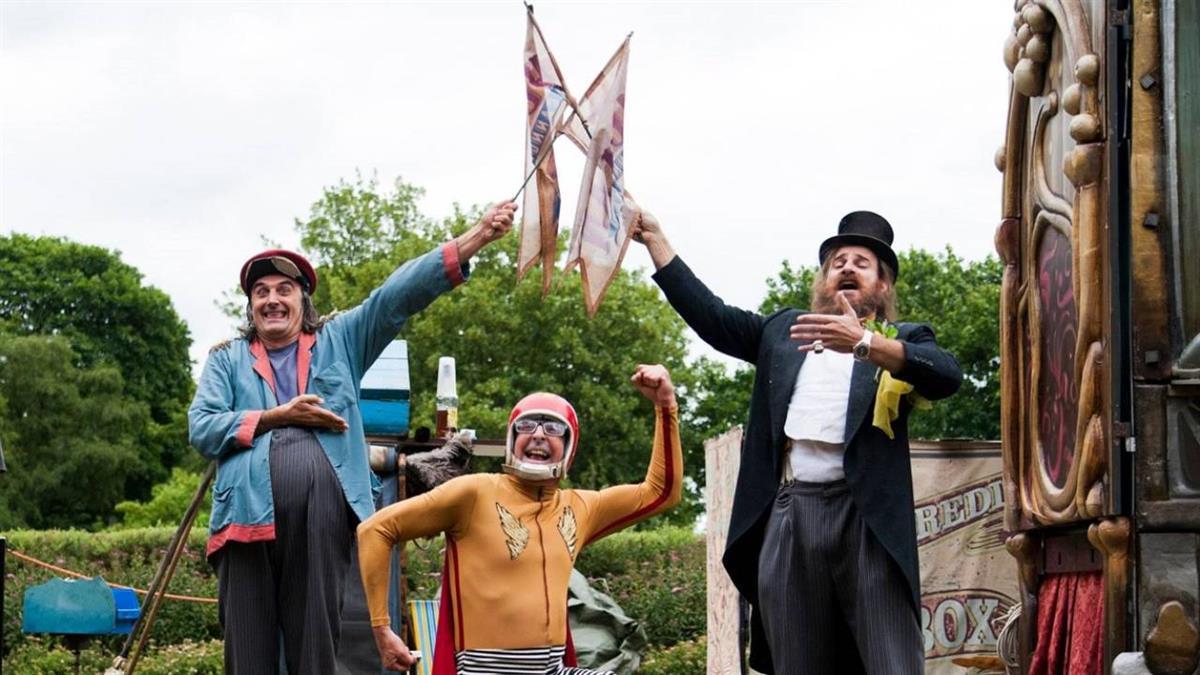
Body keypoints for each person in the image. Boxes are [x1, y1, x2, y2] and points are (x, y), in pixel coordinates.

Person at [187, 200, 517, 674]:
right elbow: (202, 427)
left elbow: (395, 296)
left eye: (284, 289)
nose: (272, 299)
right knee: (248, 653)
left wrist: (476, 237)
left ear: (304, 301)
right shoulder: (226, 360)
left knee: (315, 646)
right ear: (251, 306)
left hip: (320, 522)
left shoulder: (340, 339)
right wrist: (278, 416)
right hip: (245, 520)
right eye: (261, 292)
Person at [631, 210, 962, 674]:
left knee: (893, 661)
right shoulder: (785, 331)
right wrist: (656, 240)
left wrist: (866, 344)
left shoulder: (900, 339)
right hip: (791, 511)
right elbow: (712, 316)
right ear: (824, 281)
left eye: (861, 263)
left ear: (883, 285)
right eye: (837, 262)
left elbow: (946, 374)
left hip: (864, 516)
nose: (847, 268)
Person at [356, 364, 682, 674]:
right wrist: (382, 630)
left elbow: (661, 492)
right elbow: (375, 529)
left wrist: (665, 405)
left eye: (553, 427)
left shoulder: (580, 507)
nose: (538, 434)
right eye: (526, 425)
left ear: (570, 445)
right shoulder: (473, 493)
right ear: (511, 438)